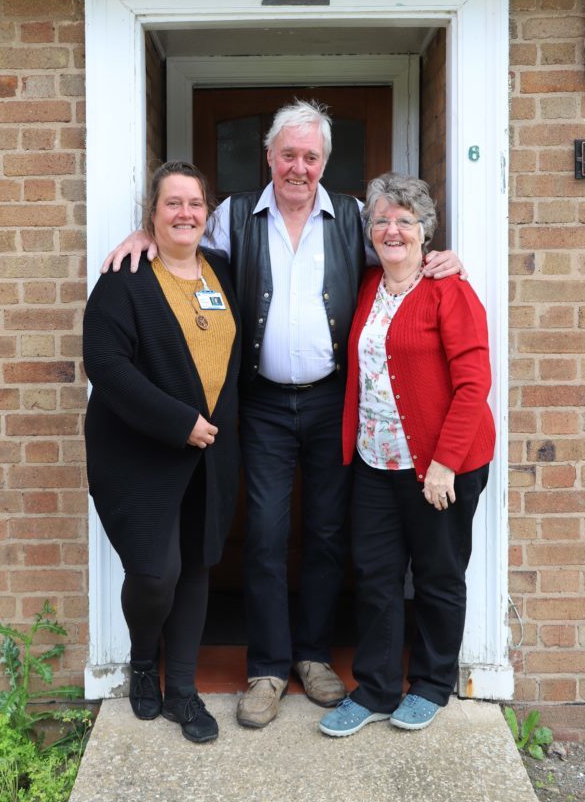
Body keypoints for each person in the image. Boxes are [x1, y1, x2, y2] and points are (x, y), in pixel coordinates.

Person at [103, 101, 464, 730]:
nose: (300, 167)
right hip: (263, 401)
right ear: (269, 156)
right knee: (266, 534)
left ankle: (314, 656)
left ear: (326, 162)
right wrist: (142, 235)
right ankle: (267, 667)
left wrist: (446, 257)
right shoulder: (233, 216)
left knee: (326, 533)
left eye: (312, 156)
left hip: (332, 398)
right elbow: (176, 241)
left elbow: (401, 249)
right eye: (288, 154)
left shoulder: (353, 217)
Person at [318, 172, 495, 738]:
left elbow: (473, 385)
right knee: (375, 576)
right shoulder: (368, 286)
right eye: (382, 220)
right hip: (375, 461)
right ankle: (373, 688)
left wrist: (443, 463)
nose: (392, 230)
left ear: (425, 231)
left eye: (405, 220)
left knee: (439, 577)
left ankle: (431, 684)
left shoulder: (450, 290)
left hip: (442, 467)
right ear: (369, 230)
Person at [84, 161, 241, 743]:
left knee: (197, 563)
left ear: (208, 212)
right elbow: (106, 366)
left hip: (210, 452)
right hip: (137, 451)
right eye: (172, 203)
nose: (185, 214)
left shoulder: (222, 271)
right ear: (151, 214)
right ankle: (142, 660)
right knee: (156, 573)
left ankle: (182, 693)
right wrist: (179, 422)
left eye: (195, 203)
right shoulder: (126, 276)